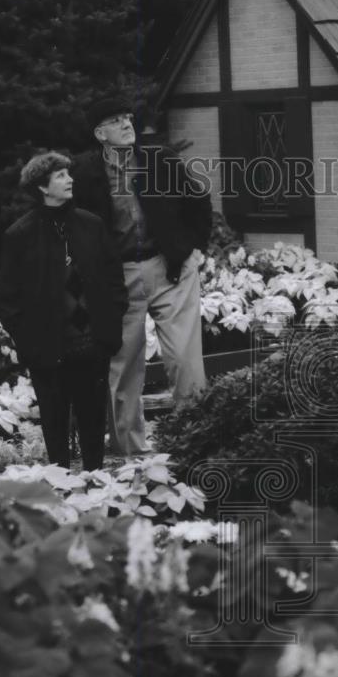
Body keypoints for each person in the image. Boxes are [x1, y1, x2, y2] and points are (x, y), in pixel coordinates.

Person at [72, 96, 212, 458]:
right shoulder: (84, 172)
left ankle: (193, 443)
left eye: (129, 118)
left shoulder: (159, 159)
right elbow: (73, 227)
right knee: (123, 369)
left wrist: (193, 248)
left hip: (171, 269)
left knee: (186, 362)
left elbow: (198, 200)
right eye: (116, 121)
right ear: (100, 133)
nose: (126, 125)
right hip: (118, 278)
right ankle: (129, 455)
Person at [0, 150, 127, 471]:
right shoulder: (20, 235)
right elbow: (7, 300)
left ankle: (97, 484)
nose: (70, 180)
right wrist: (30, 342)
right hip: (48, 351)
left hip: (92, 345)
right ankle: (61, 490)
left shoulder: (91, 225)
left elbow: (114, 281)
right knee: (55, 428)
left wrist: (109, 326)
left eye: (69, 174)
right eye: (61, 176)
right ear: (42, 186)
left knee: (93, 423)